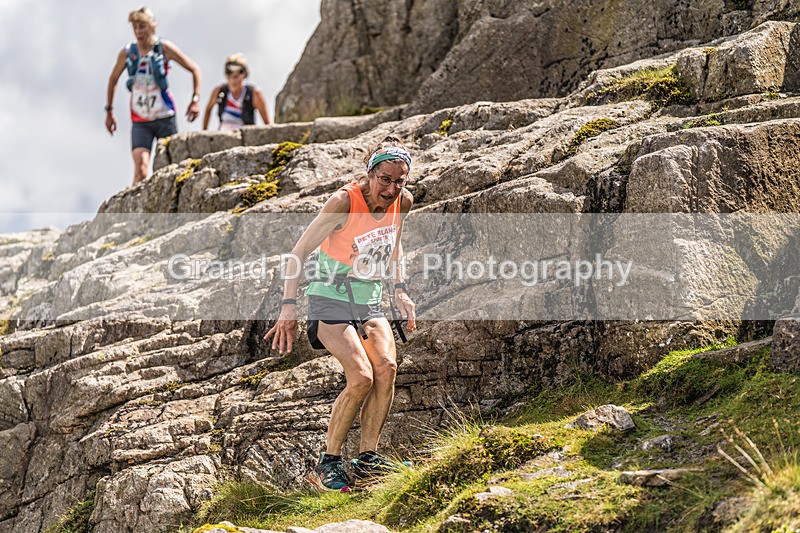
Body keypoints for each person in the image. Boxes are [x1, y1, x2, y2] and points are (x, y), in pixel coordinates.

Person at [265, 137, 417, 492]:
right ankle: (327, 464)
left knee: (387, 368)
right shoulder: (343, 202)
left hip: (369, 299)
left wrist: (400, 287)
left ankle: (367, 459)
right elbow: (298, 252)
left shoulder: (403, 201)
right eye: (385, 179)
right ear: (370, 173)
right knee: (361, 376)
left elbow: (395, 244)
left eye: (399, 181)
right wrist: (288, 306)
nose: (392, 189)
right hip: (329, 297)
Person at [105, 7, 202, 185]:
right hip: (140, 119)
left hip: (165, 117)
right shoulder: (127, 53)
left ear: (152, 26)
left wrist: (195, 99)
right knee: (141, 168)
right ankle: (135, 203)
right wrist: (109, 111)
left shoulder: (164, 48)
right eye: (135, 27)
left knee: (171, 169)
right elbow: (112, 79)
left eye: (142, 26)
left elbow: (195, 69)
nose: (138, 31)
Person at [202, 53, 271, 131]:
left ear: (244, 73)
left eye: (237, 75)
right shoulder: (219, 91)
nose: (233, 79)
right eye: (229, 72)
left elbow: (267, 124)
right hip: (223, 133)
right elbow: (208, 109)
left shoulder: (254, 94)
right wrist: (204, 131)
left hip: (245, 134)